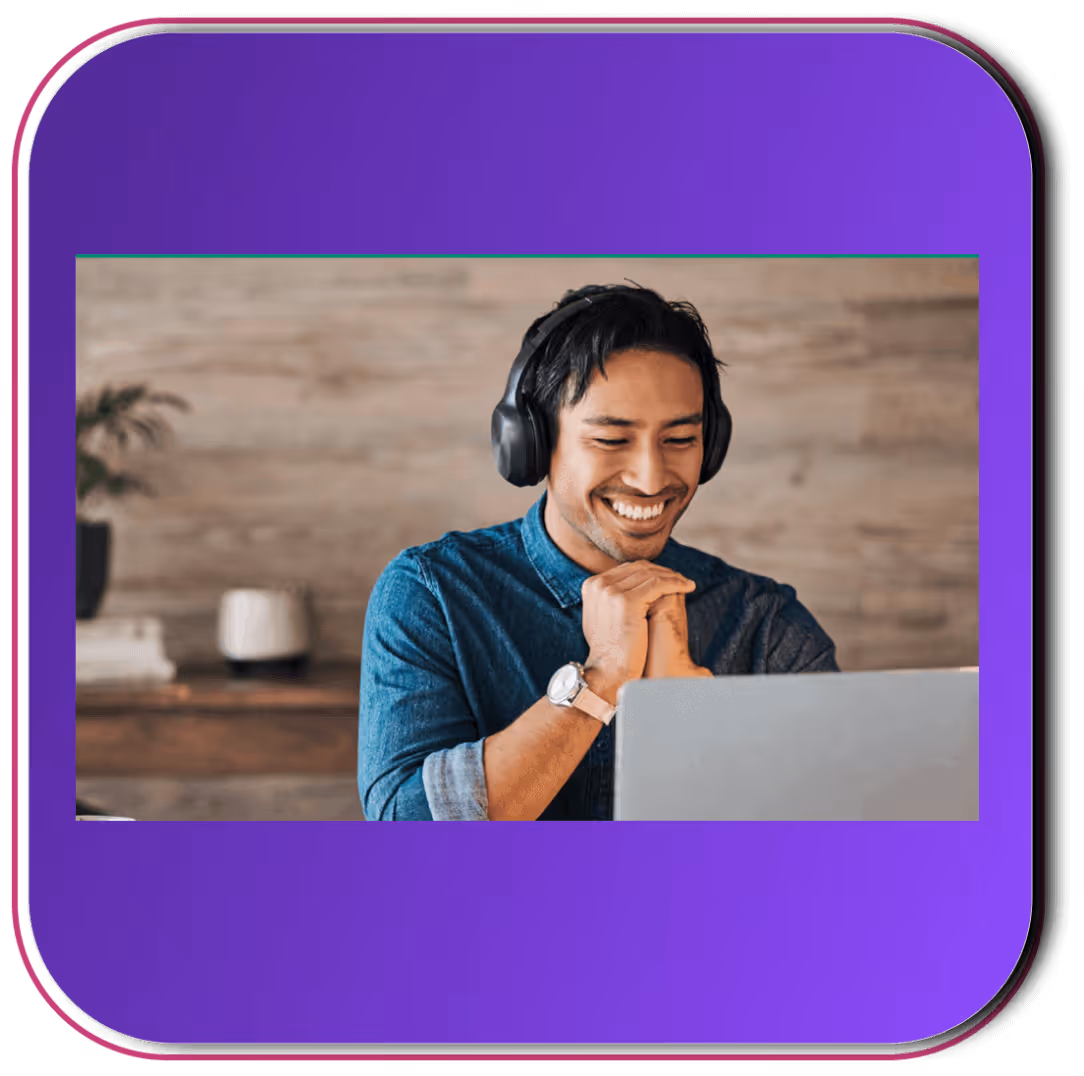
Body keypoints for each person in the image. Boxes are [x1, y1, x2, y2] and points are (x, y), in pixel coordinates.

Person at [357, 283, 839, 821]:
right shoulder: (433, 594)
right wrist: (602, 678)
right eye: (611, 441)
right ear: (533, 443)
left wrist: (685, 721)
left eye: (680, 440)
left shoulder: (768, 626)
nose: (651, 478)